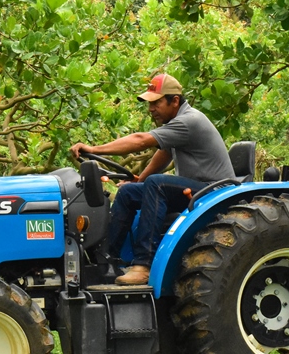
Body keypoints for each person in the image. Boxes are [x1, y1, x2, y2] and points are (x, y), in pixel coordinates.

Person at [69, 74, 235, 285]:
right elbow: (164, 154)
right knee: (128, 192)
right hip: (197, 189)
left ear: (174, 100)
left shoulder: (189, 121)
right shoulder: (177, 123)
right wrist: (140, 181)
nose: (151, 109)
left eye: (156, 102)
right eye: (149, 103)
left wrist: (94, 149)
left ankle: (143, 265)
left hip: (213, 192)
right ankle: (105, 259)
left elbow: (140, 141)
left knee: (157, 183)